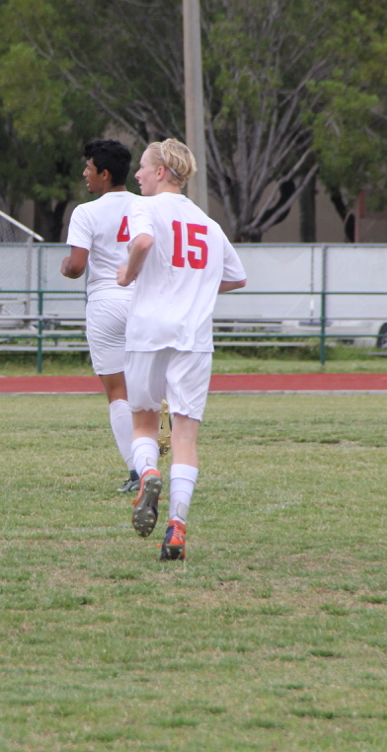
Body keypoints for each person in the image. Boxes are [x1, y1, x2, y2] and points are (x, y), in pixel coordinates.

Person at [116, 138, 246, 561]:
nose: (136, 175)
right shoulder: (207, 222)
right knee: (186, 436)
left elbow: (142, 244)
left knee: (143, 424)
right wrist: (199, 287)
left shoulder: (144, 207)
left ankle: (148, 471)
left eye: (142, 167)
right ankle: (176, 527)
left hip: (148, 331)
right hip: (193, 337)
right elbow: (237, 277)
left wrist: (126, 276)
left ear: (160, 172)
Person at [60, 139, 141, 492]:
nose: (85, 174)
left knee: (118, 392)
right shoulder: (147, 207)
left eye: (89, 168)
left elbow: (77, 267)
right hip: (144, 303)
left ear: (104, 174)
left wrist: (65, 266)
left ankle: (139, 473)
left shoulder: (86, 212)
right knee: (147, 389)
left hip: (107, 304)